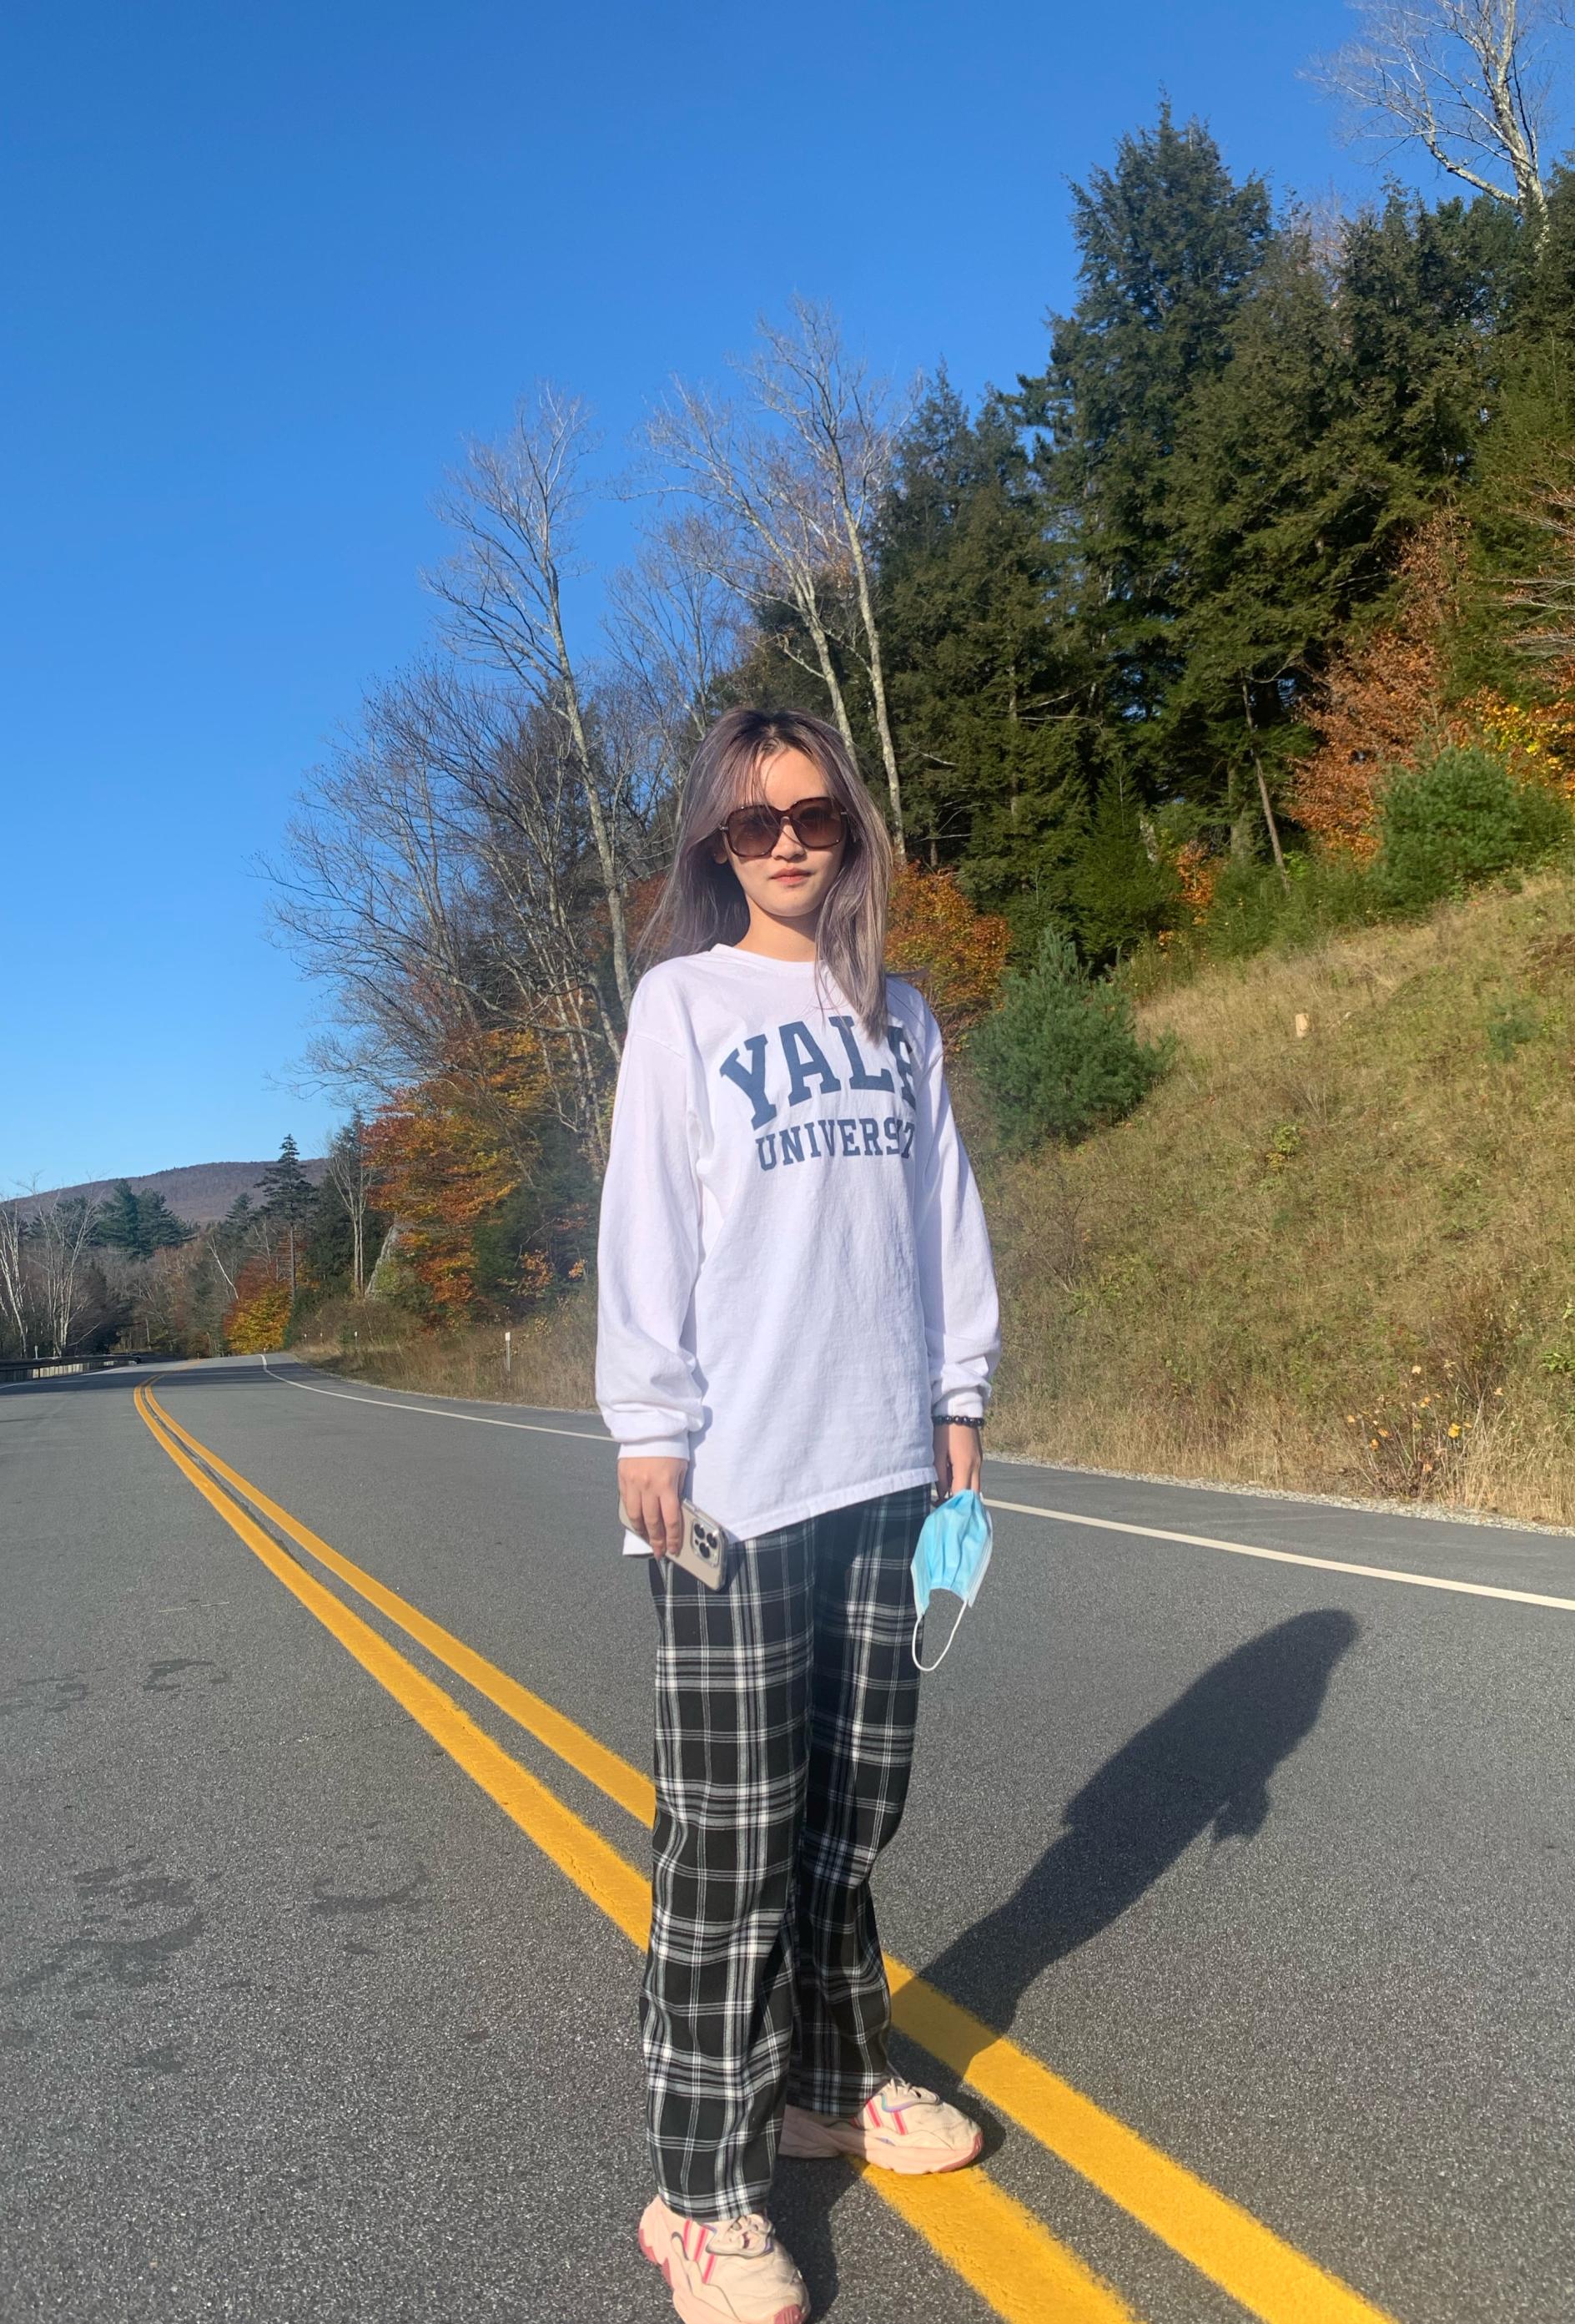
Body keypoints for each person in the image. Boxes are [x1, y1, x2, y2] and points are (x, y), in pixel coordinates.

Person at [596, 706, 1001, 2324]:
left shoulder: (899, 1013)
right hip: (737, 1487)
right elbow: (644, 1220)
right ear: (715, 845)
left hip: (883, 1469)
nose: (785, 842)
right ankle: (698, 2190)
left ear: (851, 829)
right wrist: (647, 1423)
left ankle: (832, 2083)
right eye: (751, 823)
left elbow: (940, 1217)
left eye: (814, 814)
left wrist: (959, 1400)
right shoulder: (684, 1004)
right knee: (729, 1845)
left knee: (850, 1816)